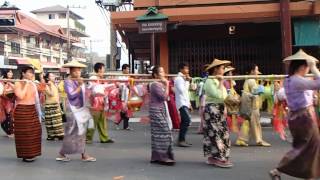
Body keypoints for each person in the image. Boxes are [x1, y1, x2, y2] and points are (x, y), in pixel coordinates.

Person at [269, 50, 320, 180]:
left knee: (306, 146)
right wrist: (314, 68)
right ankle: (279, 169)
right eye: (308, 66)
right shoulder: (297, 80)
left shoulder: (289, 80)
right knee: (307, 146)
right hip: (304, 119)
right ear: (303, 66)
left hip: (297, 118)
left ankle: (310, 174)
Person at [56, 60, 96, 162]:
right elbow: (72, 95)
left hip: (80, 108)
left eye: (79, 71)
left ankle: (83, 154)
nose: (78, 73)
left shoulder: (78, 81)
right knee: (71, 132)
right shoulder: (67, 82)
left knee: (81, 132)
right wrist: (79, 85)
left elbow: (85, 93)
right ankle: (62, 153)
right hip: (72, 109)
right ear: (71, 71)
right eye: (76, 71)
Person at [202, 59, 233, 168]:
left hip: (219, 108)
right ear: (216, 69)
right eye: (222, 68)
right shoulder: (209, 81)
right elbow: (218, 95)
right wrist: (220, 82)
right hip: (212, 109)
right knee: (215, 134)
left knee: (223, 133)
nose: (223, 70)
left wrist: (224, 107)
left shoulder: (219, 80)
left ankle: (218, 157)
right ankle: (217, 157)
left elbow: (224, 96)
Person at [236, 64, 271, 147]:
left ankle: (241, 139)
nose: (257, 72)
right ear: (252, 71)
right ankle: (259, 140)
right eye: (256, 70)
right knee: (256, 124)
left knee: (247, 123)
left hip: (250, 105)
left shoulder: (249, 79)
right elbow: (255, 91)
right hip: (252, 105)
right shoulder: (251, 80)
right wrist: (263, 86)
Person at [14, 66, 42, 162]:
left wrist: (39, 114)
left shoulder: (33, 84)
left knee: (35, 131)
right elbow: (20, 96)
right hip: (21, 110)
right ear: (23, 73)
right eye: (29, 72)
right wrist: (25, 84)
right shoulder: (18, 83)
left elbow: (38, 99)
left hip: (32, 109)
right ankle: (25, 155)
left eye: (32, 73)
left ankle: (32, 153)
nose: (31, 74)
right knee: (24, 134)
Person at [149, 66, 175, 166]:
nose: (163, 73)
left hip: (160, 109)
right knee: (164, 132)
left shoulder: (159, 84)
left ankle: (157, 157)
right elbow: (164, 97)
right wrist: (167, 84)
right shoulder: (155, 84)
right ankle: (163, 157)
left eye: (164, 71)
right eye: (161, 72)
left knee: (158, 134)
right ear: (155, 75)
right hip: (156, 110)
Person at [86, 63, 115, 144]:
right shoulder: (93, 78)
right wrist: (110, 84)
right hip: (95, 102)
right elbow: (97, 89)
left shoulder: (101, 79)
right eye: (103, 69)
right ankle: (88, 138)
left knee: (102, 121)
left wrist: (112, 83)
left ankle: (104, 138)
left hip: (102, 102)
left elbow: (105, 87)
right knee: (92, 121)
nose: (104, 70)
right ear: (99, 69)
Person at [174, 63, 192, 147]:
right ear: (181, 69)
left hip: (185, 102)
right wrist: (187, 81)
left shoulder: (183, 79)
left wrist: (189, 104)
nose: (187, 71)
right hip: (181, 103)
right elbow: (182, 91)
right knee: (187, 120)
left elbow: (187, 93)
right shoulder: (179, 79)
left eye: (188, 69)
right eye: (186, 69)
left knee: (184, 121)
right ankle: (181, 140)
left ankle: (181, 139)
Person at [44, 72, 64, 141]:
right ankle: (51, 135)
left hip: (55, 104)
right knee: (50, 122)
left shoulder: (54, 84)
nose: (53, 77)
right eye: (51, 76)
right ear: (47, 78)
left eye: (53, 75)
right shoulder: (46, 85)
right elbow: (51, 94)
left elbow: (57, 95)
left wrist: (59, 105)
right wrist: (49, 86)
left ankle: (59, 135)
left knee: (57, 121)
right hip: (50, 105)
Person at [115, 64, 132, 130]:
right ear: (124, 69)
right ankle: (118, 122)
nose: (128, 70)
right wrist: (123, 86)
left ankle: (125, 125)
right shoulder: (119, 77)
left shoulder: (128, 77)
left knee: (126, 111)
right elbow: (117, 85)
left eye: (129, 69)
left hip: (127, 95)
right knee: (124, 110)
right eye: (127, 69)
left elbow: (130, 87)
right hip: (121, 96)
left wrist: (129, 87)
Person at [0, 70, 15, 138]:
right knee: (5, 118)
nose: (10, 73)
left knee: (11, 117)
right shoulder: (2, 82)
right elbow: (2, 93)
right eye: (9, 72)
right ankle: (8, 132)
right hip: (3, 102)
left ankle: (11, 131)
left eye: (11, 72)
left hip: (12, 102)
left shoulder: (14, 82)